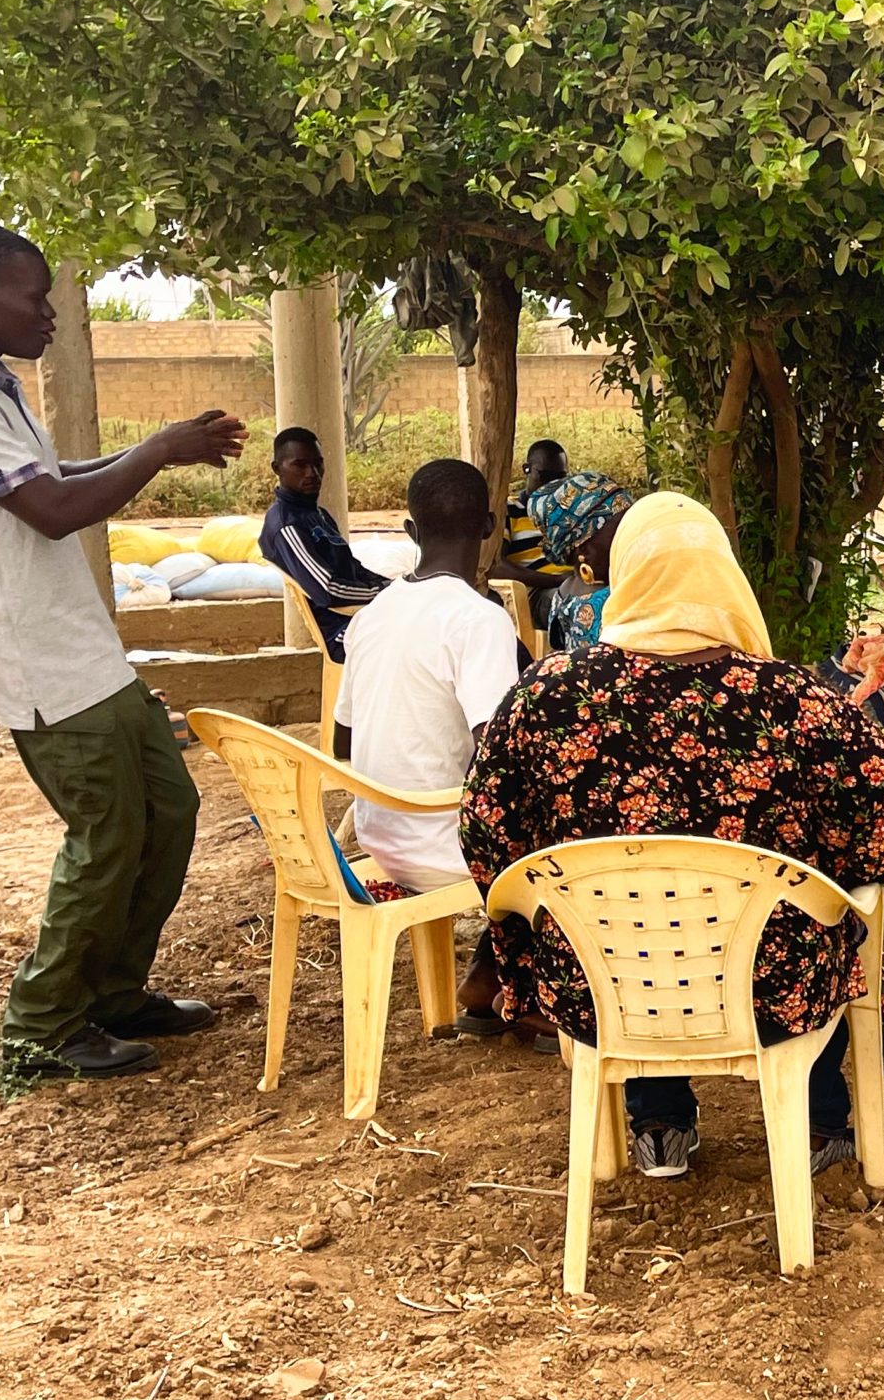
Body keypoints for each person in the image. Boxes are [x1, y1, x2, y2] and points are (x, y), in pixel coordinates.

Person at [463, 494, 884, 1180]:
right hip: (771, 986)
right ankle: (821, 1125)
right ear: (724, 579)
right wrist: (840, 870)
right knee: (813, 918)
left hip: (603, 982)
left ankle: (660, 1125)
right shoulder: (790, 697)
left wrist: (535, 913)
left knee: (633, 926)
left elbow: (484, 822)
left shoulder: (548, 693)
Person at [0, 223, 245, 1078]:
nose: (48, 313)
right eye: (34, 296)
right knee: (107, 834)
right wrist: (156, 453)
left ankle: (116, 992)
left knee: (169, 812)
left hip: (80, 648)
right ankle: (41, 1023)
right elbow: (50, 508)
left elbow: (53, 470)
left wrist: (156, 447)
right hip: (33, 657)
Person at [332, 459, 526, 1024]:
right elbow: (503, 753)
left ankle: (485, 977)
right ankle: (531, 989)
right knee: (575, 812)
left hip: (379, 836)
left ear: (410, 531)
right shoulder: (477, 618)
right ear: (490, 527)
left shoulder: (374, 613)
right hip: (444, 847)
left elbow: (344, 739)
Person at [259, 426, 388, 659]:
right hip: (341, 631)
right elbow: (327, 590)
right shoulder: (286, 525)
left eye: (318, 463)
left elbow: (352, 568)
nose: (312, 473)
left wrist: (395, 585)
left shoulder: (318, 515)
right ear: (277, 469)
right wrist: (382, 593)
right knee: (421, 630)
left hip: (361, 615)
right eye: (300, 465)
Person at [523, 470, 635, 651]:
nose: (631, 534)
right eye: (620, 529)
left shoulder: (566, 591)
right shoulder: (607, 602)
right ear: (584, 548)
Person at [493, 438, 574, 607]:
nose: (552, 484)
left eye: (560, 477)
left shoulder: (570, 511)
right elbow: (497, 565)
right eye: (545, 476)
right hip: (539, 592)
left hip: (576, 583)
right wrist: (556, 580)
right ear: (526, 469)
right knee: (576, 603)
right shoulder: (508, 510)